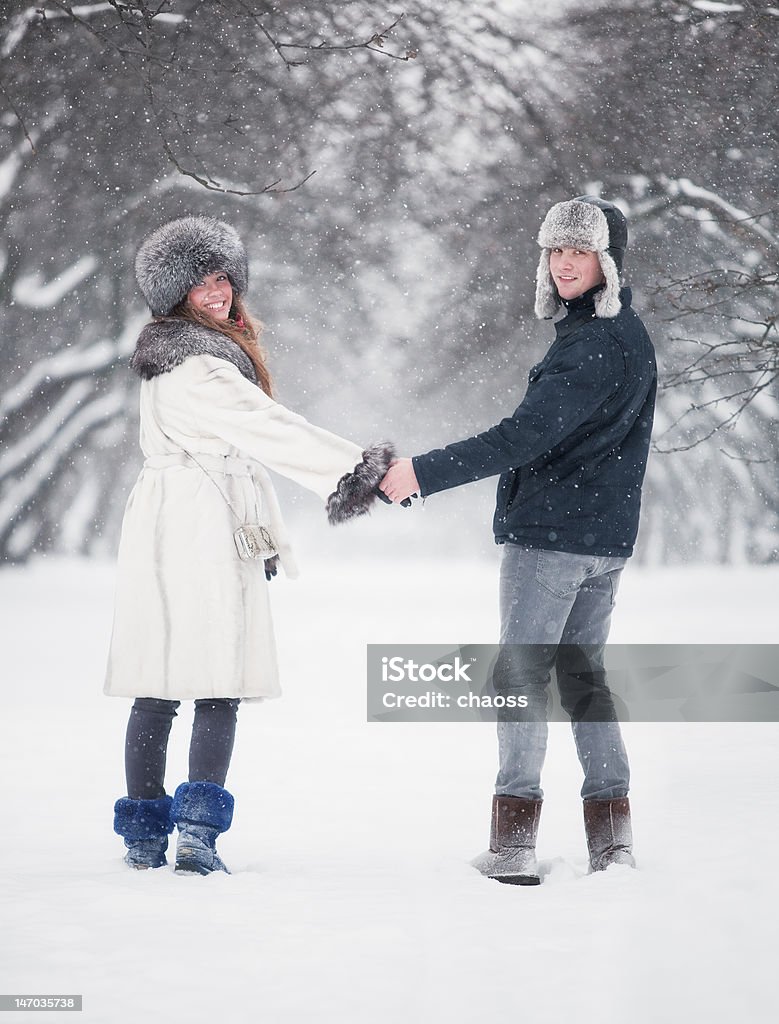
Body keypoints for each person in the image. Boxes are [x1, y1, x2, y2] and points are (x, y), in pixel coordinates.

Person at [380, 196, 657, 884]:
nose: (564, 262)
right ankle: (611, 840)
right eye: (555, 250)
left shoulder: (592, 345)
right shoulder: (622, 336)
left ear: (607, 262)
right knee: (582, 679)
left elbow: (521, 436)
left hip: (552, 538)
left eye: (580, 251)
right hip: (602, 539)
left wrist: (420, 472)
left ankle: (512, 844)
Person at [106, 215, 393, 875]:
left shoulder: (176, 356)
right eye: (200, 282)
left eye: (222, 279)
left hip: (176, 520)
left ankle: (146, 835)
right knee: (215, 682)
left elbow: (250, 439)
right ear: (174, 294)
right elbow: (270, 429)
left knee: (157, 685)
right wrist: (357, 472)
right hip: (198, 524)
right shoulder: (198, 364)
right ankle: (196, 836)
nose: (216, 292)